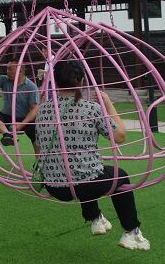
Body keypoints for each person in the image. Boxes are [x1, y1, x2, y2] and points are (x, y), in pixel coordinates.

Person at [35, 60, 149, 251]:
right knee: (119, 175)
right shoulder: (90, 108)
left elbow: (39, 145)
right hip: (84, 186)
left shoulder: (43, 110)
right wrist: (107, 103)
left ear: (55, 81)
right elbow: (120, 136)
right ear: (80, 81)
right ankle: (131, 231)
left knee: (89, 169)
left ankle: (95, 218)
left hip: (54, 186)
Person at [0, 47, 40, 148]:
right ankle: (7, 134)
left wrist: (20, 124)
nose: (7, 71)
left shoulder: (31, 86)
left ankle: (39, 160)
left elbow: (35, 109)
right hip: (6, 118)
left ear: (20, 71)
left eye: (10, 69)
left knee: (36, 132)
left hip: (23, 119)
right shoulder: (5, 80)